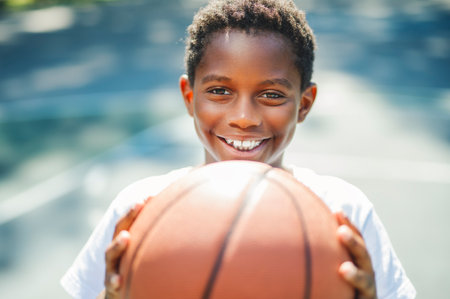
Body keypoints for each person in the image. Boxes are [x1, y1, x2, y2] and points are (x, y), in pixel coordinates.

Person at [61, 0, 416, 298]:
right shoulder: (140, 211)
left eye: (272, 95)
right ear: (189, 96)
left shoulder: (344, 212)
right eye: (219, 91)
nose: (244, 118)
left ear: (304, 105)